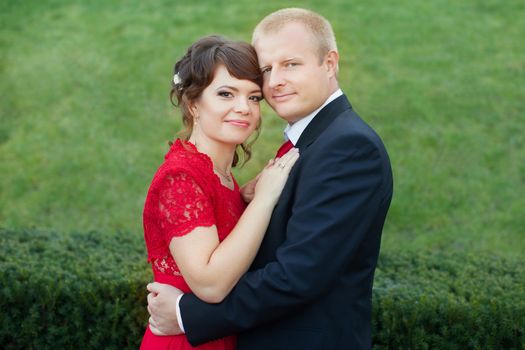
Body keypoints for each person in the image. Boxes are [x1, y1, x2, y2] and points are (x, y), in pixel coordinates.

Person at [147, 8, 393, 350]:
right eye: (266, 69)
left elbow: (299, 274)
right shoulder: (311, 142)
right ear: (193, 104)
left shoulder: (348, 147)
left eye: (291, 64)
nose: (275, 80)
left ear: (330, 63)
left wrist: (186, 314)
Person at [139, 35, 299, 350]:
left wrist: (243, 200)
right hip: (186, 342)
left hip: (219, 335)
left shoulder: (220, 176)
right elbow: (210, 284)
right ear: (192, 104)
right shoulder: (182, 177)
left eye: (254, 97)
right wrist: (264, 200)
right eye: (226, 94)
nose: (244, 108)